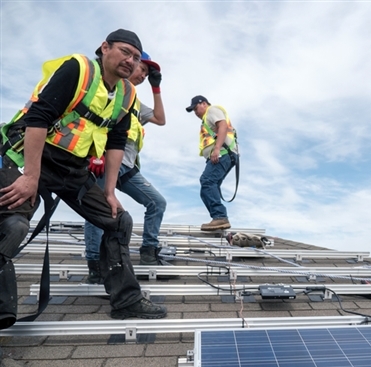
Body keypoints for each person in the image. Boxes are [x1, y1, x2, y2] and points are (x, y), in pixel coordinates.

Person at [0, 29, 167, 330]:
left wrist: (111, 191)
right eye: (124, 51)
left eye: (135, 56)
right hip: (30, 158)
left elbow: (117, 141)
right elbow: (38, 119)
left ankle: (126, 300)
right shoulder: (79, 69)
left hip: (73, 170)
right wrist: (31, 178)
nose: (130, 60)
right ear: (105, 48)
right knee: (12, 226)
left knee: (118, 220)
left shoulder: (127, 95)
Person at [84, 51, 167, 284]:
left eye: (148, 74)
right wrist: (95, 154)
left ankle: (149, 252)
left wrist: (156, 87)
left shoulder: (134, 102)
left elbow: (160, 119)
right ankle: (95, 265)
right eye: (143, 69)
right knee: (97, 211)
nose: (143, 74)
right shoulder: (107, 90)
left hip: (127, 166)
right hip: (102, 162)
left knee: (157, 202)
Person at [186, 95, 238, 231]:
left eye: (196, 109)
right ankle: (219, 219)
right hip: (223, 154)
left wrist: (216, 149)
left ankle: (220, 217)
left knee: (207, 182)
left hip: (222, 153)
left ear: (203, 104)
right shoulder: (206, 118)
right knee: (210, 184)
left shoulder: (212, 110)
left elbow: (222, 126)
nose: (195, 113)